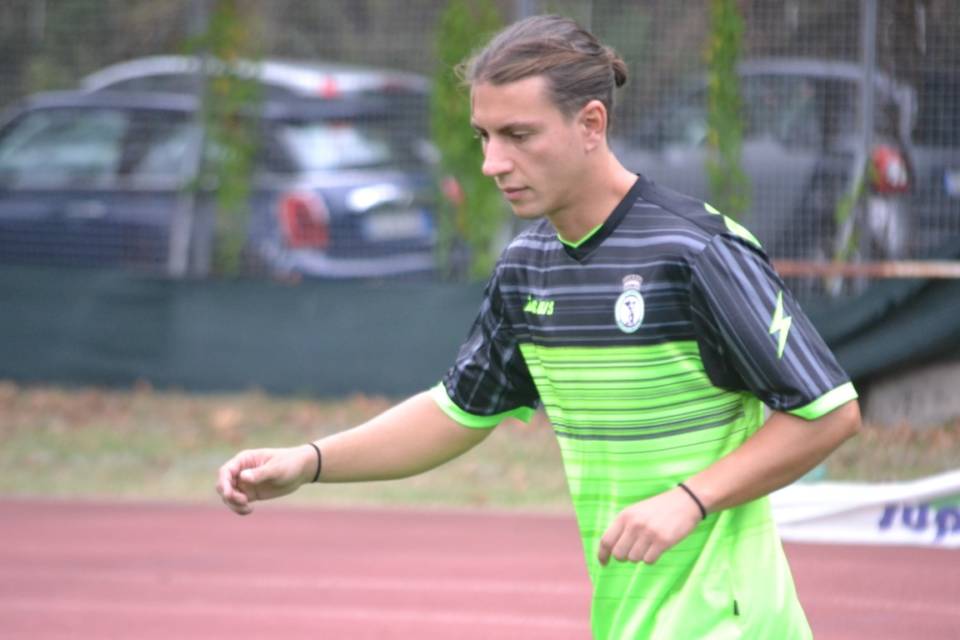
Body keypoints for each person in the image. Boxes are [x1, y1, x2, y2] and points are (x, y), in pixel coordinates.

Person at [217, 14, 861, 639]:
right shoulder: (528, 267)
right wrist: (309, 462)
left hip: (732, 624)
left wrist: (689, 499)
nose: (493, 162)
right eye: (484, 136)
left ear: (591, 124)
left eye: (518, 136)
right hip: (628, 621)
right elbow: (457, 410)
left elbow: (828, 412)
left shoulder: (695, 251)